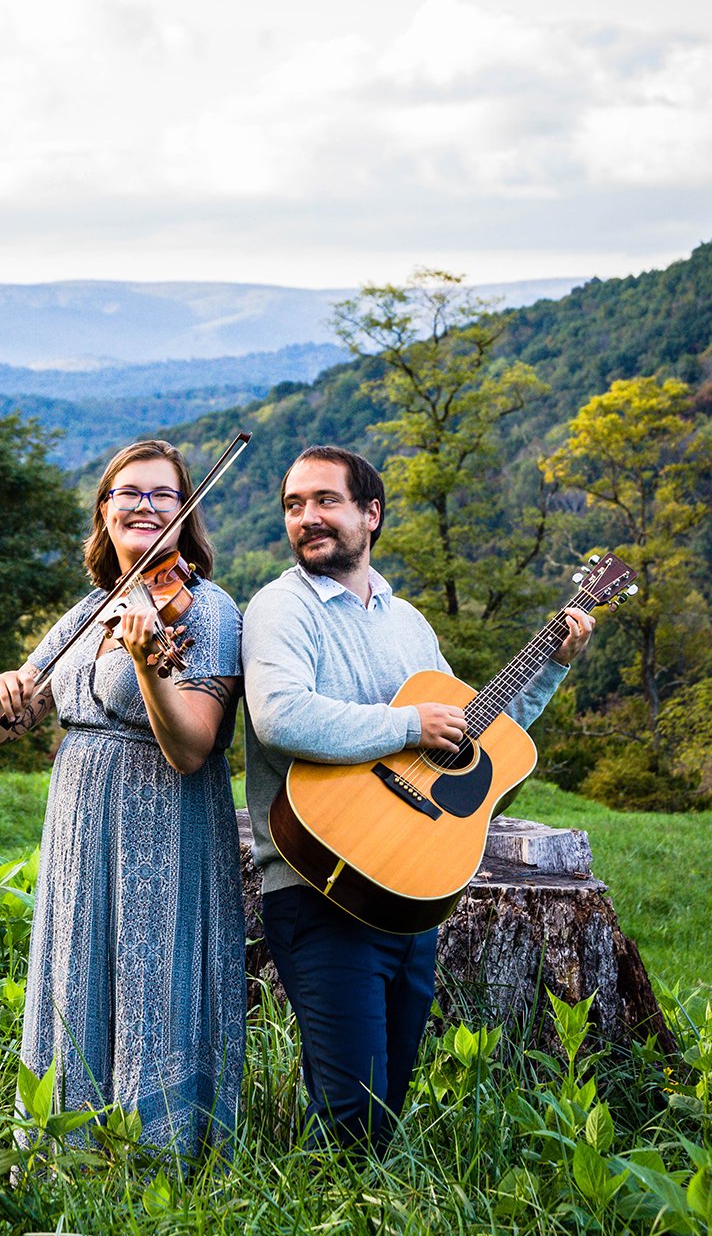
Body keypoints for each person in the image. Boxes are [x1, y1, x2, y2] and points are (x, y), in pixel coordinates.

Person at [242, 445, 594, 1154]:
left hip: (411, 886)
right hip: (321, 882)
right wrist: (408, 723)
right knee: (352, 1115)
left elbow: (470, 738)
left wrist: (551, 666)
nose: (307, 517)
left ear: (370, 515)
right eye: (293, 505)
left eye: (325, 501)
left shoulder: (409, 624)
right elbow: (279, 716)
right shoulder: (281, 606)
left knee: (385, 1103)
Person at [0, 439, 246, 1161]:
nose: (146, 507)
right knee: (76, 972)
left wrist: (154, 670)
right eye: (130, 493)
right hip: (77, 831)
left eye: (163, 495)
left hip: (162, 825)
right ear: (105, 510)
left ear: (186, 517)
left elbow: (192, 748)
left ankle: (160, 1162)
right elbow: (4, 724)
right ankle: (66, 1155)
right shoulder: (93, 608)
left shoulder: (208, 613)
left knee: (154, 974)